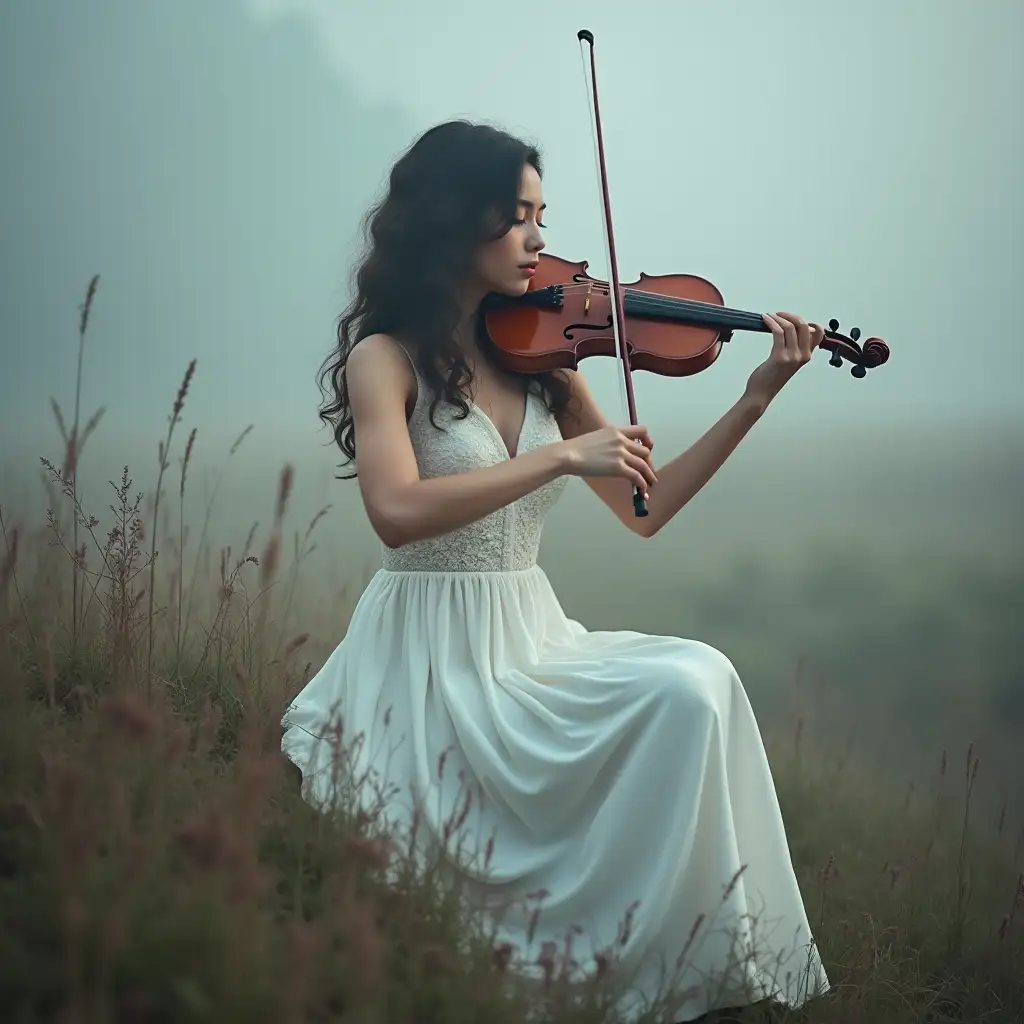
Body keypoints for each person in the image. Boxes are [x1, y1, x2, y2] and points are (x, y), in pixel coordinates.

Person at [281, 119, 830, 1022]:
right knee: (682, 693)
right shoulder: (387, 359)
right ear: (458, 222)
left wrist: (754, 398)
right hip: (430, 658)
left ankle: (689, 969)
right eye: (519, 216)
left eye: (544, 214)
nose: (542, 241)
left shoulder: (548, 362)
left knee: (699, 682)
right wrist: (562, 460)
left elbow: (644, 512)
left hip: (530, 637)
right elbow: (396, 512)